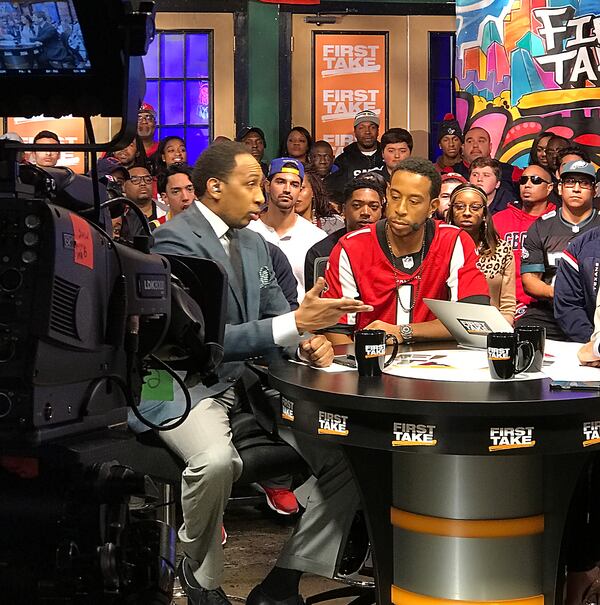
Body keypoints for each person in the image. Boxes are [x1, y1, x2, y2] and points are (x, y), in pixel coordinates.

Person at [132, 140, 372, 605]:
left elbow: (280, 318)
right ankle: (199, 572)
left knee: (345, 464)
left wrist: (310, 340)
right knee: (215, 461)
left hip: (244, 384)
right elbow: (204, 339)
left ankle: (285, 578)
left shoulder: (254, 243)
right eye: (252, 185)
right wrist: (293, 325)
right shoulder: (174, 243)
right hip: (184, 382)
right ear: (215, 188)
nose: (262, 197)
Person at [322, 157, 490, 343]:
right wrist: (360, 365)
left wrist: (403, 332)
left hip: (437, 365)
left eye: (414, 201)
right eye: (395, 197)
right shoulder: (352, 246)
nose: (400, 209)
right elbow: (336, 330)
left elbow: (474, 319)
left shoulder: (454, 241)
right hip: (371, 362)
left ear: (432, 207)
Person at [518, 160, 600, 340]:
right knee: (523, 331)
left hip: (593, 312)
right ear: (560, 188)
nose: (576, 188)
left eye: (584, 183)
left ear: (595, 190)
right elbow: (530, 281)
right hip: (549, 311)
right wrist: (564, 294)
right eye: (570, 182)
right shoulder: (541, 227)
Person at [247, 158, 326, 301]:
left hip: (300, 319)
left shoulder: (316, 237)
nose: (287, 190)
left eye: (295, 185)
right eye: (280, 182)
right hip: (256, 319)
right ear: (266, 186)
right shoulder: (248, 230)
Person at [493, 164, 556, 319]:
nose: (527, 185)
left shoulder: (557, 222)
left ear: (549, 188)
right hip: (501, 304)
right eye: (523, 180)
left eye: (535, 180)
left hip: (542, 307)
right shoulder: (498, 220)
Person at [447, 183, 516, 323]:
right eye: (459, 207)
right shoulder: (439, 247)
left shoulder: (501, 250)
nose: (466, 213)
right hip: (445, 326)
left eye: (475, 207)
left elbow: (507, 306)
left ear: (484, 214)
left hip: (490, 326)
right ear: (451, 212)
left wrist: (501, 330)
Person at [304, 174, 385, 290]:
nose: (366, 212)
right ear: (343, 210)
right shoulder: (321, 252)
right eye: (357, 206)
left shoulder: (392, 248)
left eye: (374, 207)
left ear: (381, 212)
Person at [328, 110, 384, 189]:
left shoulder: (387, 156)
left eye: (372, 127)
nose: (367, 131)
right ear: (355, 132)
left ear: (378, 131)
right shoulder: (343, 160)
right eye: (361, 128)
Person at [294, 168, 344, 235]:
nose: (295, 193)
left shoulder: (334, 225)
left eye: (301, 188)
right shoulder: (276, 228)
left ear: (313, 191)